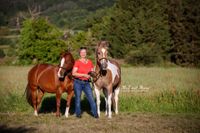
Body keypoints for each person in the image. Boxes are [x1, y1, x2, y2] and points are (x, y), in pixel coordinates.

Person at [72, 47, 98, 118]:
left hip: (87, 83)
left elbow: (92, 71)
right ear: (80, 54)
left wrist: (93, 75)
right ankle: (78, 114)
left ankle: (95, 114)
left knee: (91, 98)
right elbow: (73, 73)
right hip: (78, 83)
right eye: (82, 52)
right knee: (78, 99)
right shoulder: (77, 62)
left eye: (84, 52)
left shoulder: (89, 62)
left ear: (86, 53)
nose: (83, 54)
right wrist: (83, 75)